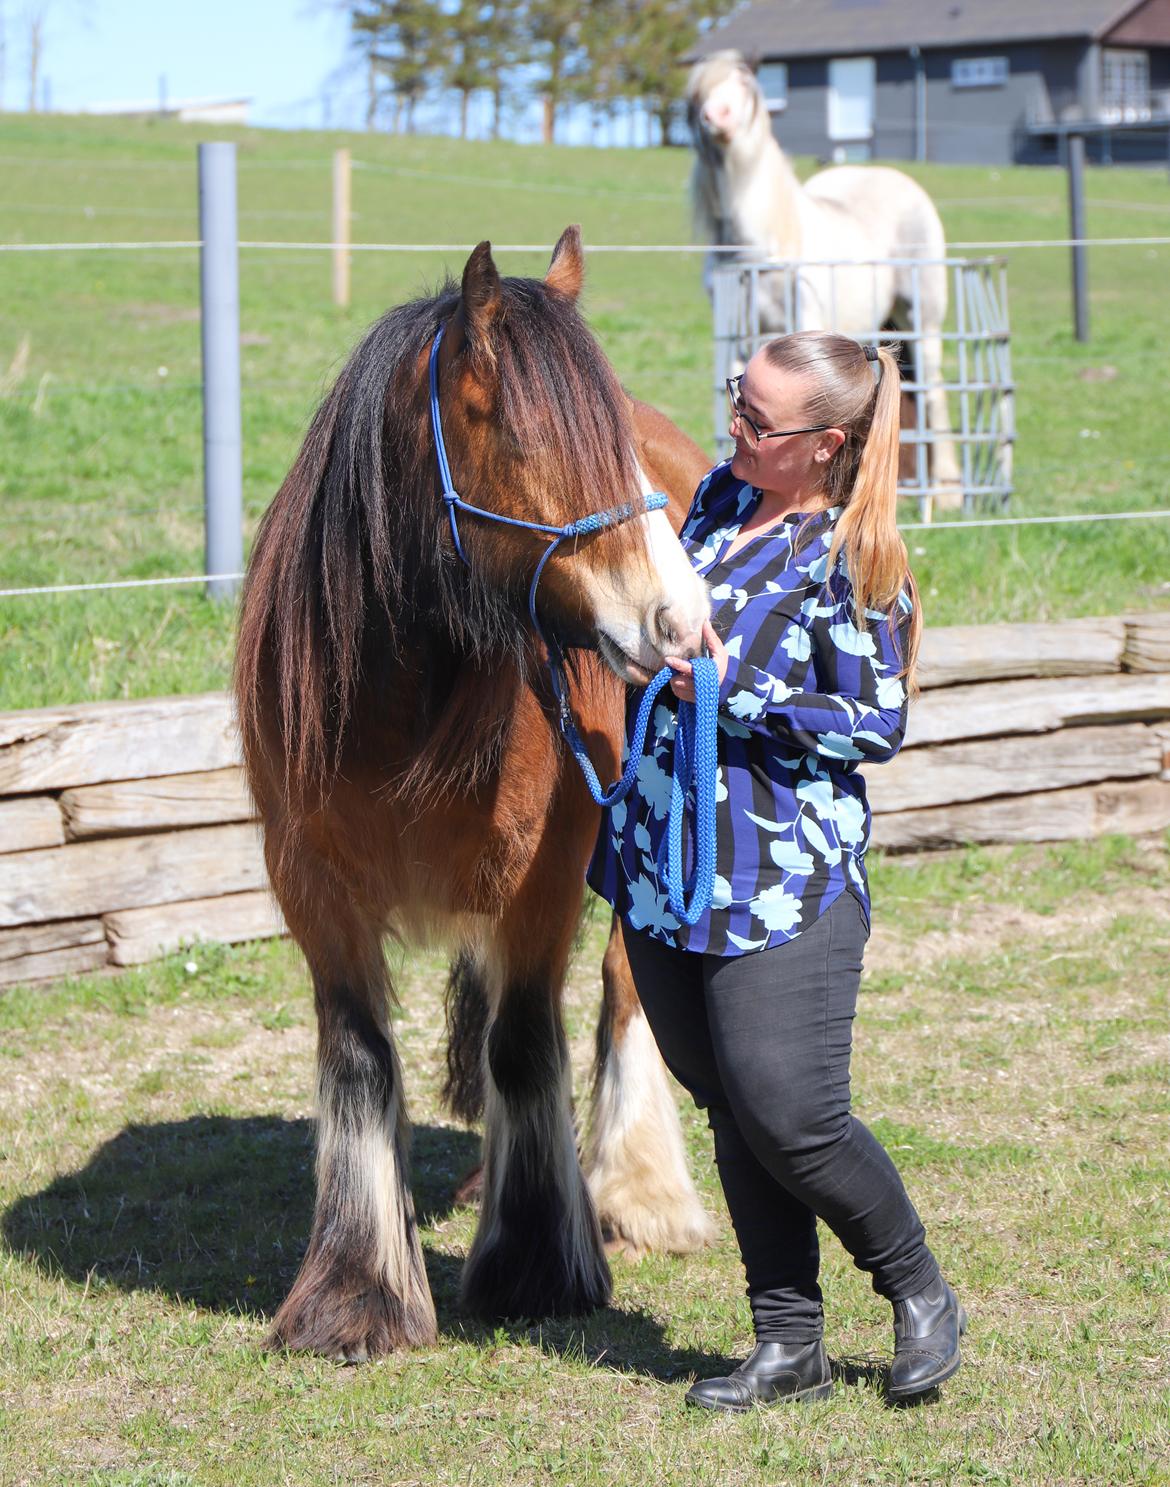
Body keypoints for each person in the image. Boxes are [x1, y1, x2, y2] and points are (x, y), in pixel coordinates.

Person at [587, 331, 967, 1412]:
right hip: (668, 868)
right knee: (728, 1103)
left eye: (761, 422)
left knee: (791, 1112)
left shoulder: (858, 558)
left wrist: (729, 687)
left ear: (826, 444)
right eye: (736, 404)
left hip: (778, 879)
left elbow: (875, 720)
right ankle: (786, 1340)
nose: (736, 430)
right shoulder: (708, 503)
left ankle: (918, 1284)